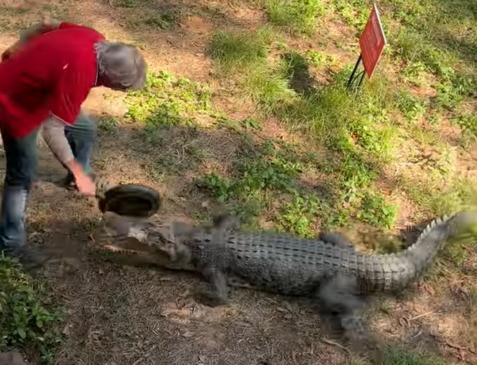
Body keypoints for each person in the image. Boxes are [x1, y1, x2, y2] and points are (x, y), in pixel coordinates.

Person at [0, 17, 148, 258]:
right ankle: (10, 241)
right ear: (107, 75)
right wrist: (78, 171)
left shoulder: (94, 38)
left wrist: (20, 44)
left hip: (45, 90)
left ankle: (76, 179)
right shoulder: (80, 73)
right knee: (21, 175)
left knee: (83, 129)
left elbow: (48, 22)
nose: (118, 91)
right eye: (119, 87)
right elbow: (52, 130)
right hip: (14, 102)